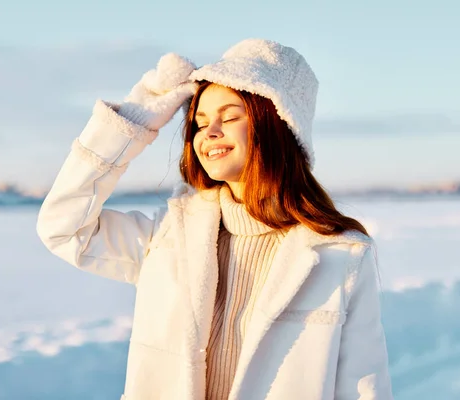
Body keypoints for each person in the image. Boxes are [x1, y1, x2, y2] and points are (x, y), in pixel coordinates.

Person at [37, 39, 393, 400]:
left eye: (231, 116)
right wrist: (134, 118)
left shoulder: (340, 255)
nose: (208, 132)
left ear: (279, 124)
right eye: (200, 122)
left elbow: (364, 387)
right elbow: (63, 227)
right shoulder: (166, 238)